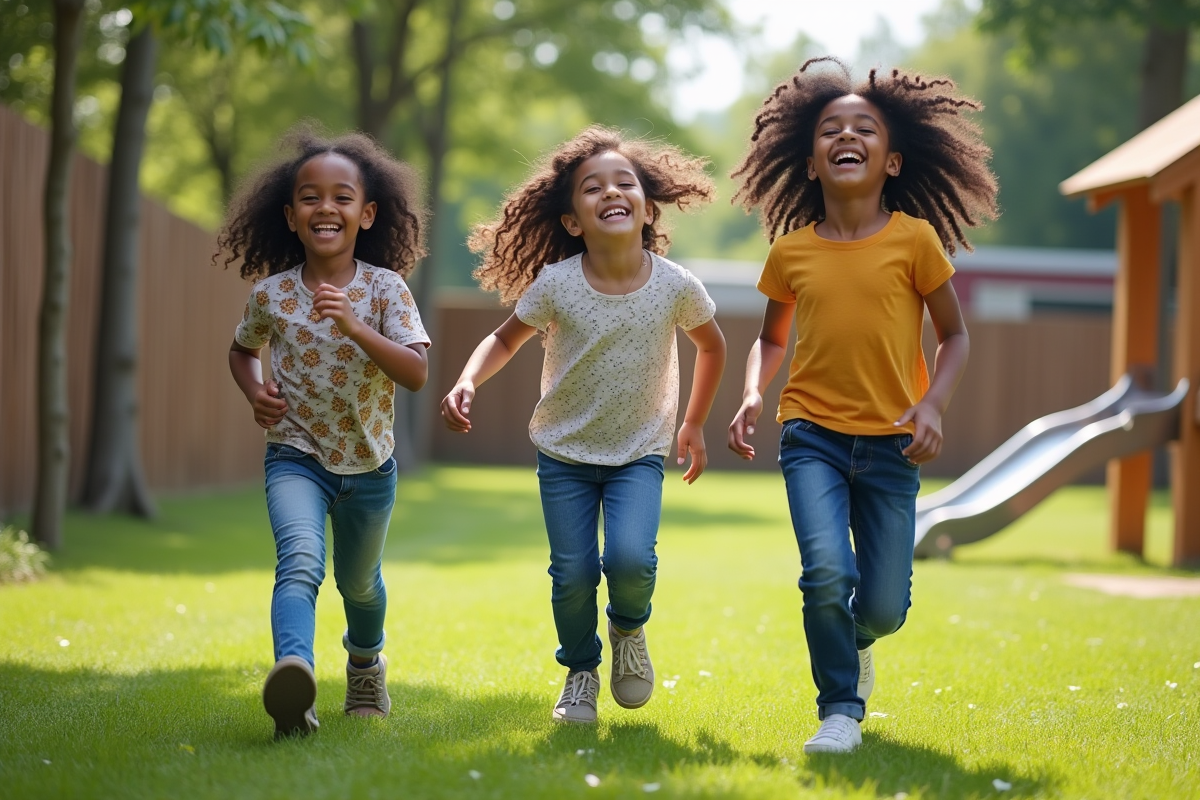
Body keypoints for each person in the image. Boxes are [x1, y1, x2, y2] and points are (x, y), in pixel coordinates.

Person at [727, 58, 996, 753]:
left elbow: (956, 336)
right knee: (825, 571)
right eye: (830, 130)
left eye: (864, 128)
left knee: (883, 607)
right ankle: (840, 709)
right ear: (811, 162)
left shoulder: (914, 241)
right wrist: (755, 389)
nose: (846, 135)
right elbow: (770, 339)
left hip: (892, 445)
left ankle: (858, 638)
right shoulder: (792, 252)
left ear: (893, 159)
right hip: (809, 434)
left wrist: (933, 404)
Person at [441, 126, 726, 724]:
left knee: (630, 560)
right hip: (565, 454)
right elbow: (503, 340)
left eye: (625, 183)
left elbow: (713, 347)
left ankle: (628, 629)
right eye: (592, 188)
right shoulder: (557, 285)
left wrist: (694, 423)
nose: (611, 192)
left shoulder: (675, 285)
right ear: (573, 221)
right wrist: (468, 379)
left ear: (647, 207)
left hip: (639, 452)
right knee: (572, 575)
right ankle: (580, 671)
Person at [219, 126, 430, 738]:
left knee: (359, 584)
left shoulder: (386, 289)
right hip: (296, 457)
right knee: (300, 562)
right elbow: (240, 350)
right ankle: (296, 679)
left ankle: (365, 666)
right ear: (290, 215)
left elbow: (416, 373)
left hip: (369, 467)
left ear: (366, 214)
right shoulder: (273, 294)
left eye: (342, 197)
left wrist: (356, 326)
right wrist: (255, 391)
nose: (325, 208)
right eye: (310, 197)